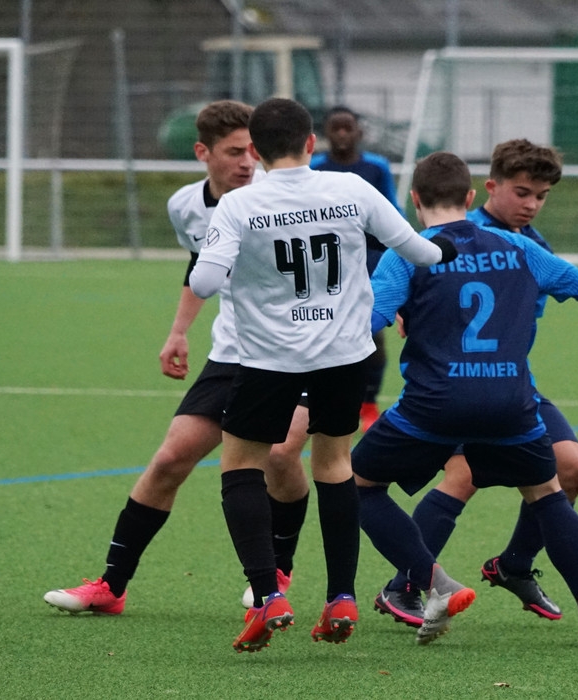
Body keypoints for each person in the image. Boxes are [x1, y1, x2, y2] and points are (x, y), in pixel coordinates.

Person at [188, 98, 457, 653]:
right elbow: (420, 252)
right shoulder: (351, 190)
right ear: (311, 143)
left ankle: (269, 595)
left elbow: (206, 283)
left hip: (267, 360)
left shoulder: (239, 204)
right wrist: (443, 249)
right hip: (344, 356)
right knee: (334, 466)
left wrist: (224, 259)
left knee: (241, 466)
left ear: (255, 150)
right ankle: (341, 597)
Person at [353, 150, 578, 646]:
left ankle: (432, 582)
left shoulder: (409, 253)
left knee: (357, 483)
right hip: (511, 402)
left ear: (415, 199)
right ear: (471, 196)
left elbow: (370, 322)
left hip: (434, 405)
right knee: (547, 494)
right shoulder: (521, 247)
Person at [43, 100, 311, 617]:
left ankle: (278, 570)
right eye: (233, 152)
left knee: (280, 456)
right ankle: (111, 586)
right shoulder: (185, 206)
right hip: (233, 351)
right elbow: (199, 266)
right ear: (202, 152)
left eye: (252, 151)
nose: (247, 162)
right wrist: (179, 331)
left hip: (298, 352)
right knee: (170, 459)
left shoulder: (279, 197)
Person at [373, 139, 578, 628]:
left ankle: (513, 565)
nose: (531, 204)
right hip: (455, 386)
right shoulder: (452, 234)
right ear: (488, 189)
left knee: (572, 468)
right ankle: (405, 585)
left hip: (511, 385)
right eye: (522, 193)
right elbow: (405, 293)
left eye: (542, 196)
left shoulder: (532, 244)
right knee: (463, 475)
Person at [310, 106, 403, 431]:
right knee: (320, 330)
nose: (342, 134)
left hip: (369, 264)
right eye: (335, 128)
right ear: (325, 133)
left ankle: (368, 402)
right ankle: (320, 398)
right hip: (325, 266)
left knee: (372, 335)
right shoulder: (315, 168)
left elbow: (392, 209)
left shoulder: (376, 167)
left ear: (359, 132)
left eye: (347, 128)